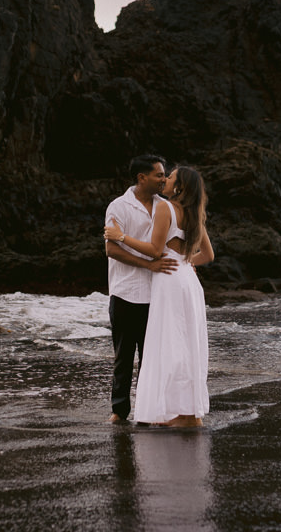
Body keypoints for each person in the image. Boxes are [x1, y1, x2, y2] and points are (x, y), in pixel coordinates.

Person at [106, 165, 214, 428]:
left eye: (171, 177)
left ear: (179, 187)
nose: (166, 180)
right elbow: (208, 256)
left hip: (169, 282)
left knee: (168, 345)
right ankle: (190, 413)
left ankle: (173, 413)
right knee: (187, 346)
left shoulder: (165, 207)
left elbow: (155, 250)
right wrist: (185, 263)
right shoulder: (194, 212)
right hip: (188, 281)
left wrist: (121, 236)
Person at [104, 155, 179, 424]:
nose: (164, 179)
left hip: (158, 295)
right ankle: (119, 411)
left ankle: (151, 411)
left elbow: (173, 244)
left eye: (165, 175)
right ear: (141, 178)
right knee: (123, 357)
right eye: (159, 175)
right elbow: (112, 249)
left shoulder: (165, 206)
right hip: (125, 292)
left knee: (152, 358)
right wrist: (148, 265)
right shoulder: (118, 206)